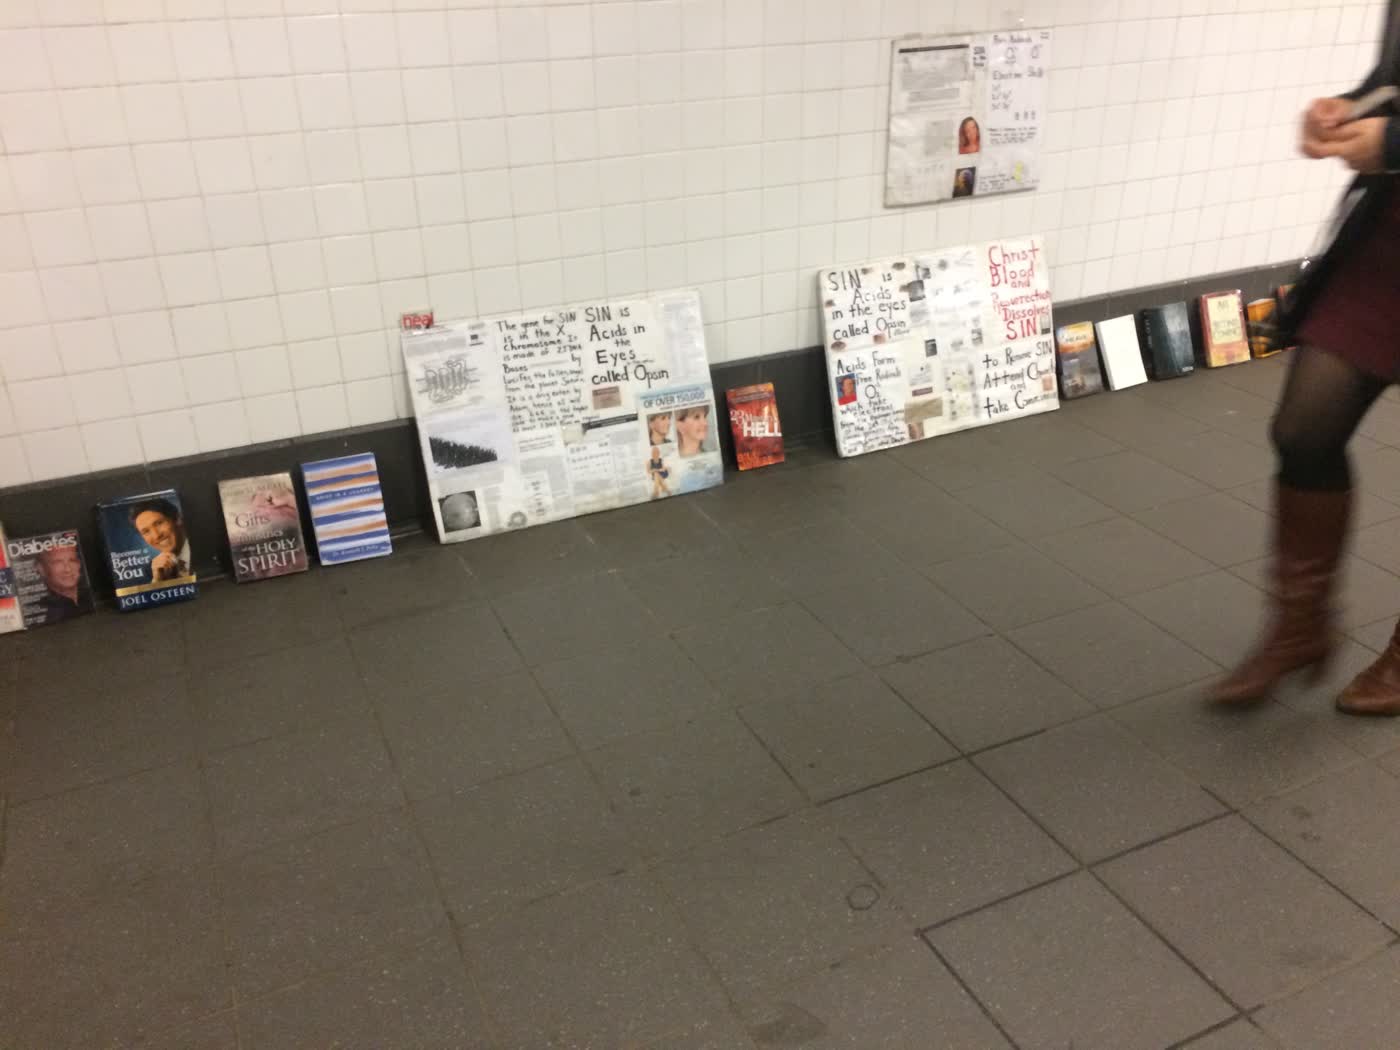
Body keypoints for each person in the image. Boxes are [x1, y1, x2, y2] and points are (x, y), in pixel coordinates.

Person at [1211, 5, 1400, 715]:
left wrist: (1396, 140)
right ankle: (1300, 627)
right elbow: (1395, 76)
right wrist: (1351, 107)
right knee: (1305, 430)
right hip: (1389, 240)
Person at [130, 499, 190, 581]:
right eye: (146, 531)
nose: (156, 536)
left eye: (159, 523)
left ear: (177, 519)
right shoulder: (151, 571)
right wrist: (158, 582)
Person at [34, 544, 89, 624]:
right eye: (57, 562)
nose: (67, 569)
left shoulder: (89, 597)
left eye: (72, 560)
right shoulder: (46, 613)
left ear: (79, 564)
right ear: (41, 569)